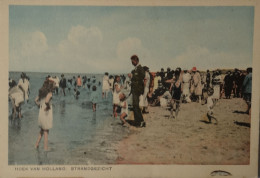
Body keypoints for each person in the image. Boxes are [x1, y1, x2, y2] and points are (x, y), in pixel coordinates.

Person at [34, 80, 55, 151]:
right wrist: (48, 106)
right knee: (46, 130)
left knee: (42, 129)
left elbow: (36, 100)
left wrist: (39, 105)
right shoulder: (50, 93)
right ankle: (45, 147)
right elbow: (46, 101)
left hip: (41, 111)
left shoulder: (42, 93)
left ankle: (37, 144)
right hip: (46, 112)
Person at [130, 55, 145, 127]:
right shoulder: (135, 69)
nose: (132, 63)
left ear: (136, 60)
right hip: (134, 90)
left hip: (137, 90)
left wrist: (133, 76)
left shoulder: (140, 68)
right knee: (135, 106)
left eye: (132, 61)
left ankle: (140, 121)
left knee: (136, 105)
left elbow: (142, 76)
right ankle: (137, 121)